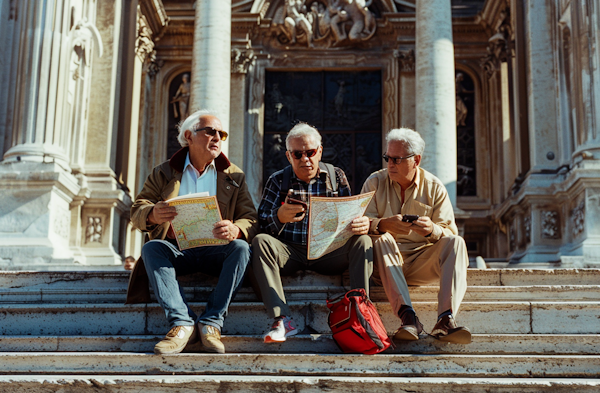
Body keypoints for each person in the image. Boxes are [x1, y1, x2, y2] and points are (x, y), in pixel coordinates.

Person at [126, 110, 258, 355]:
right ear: (189, 136)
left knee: (241, 248)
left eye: (222, 133)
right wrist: (153, 214)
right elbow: (137, 210)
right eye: (210, 131)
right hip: (178, 250)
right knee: (152, 248)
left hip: (217, 251)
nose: (217, 137)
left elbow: (250, 217)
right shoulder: (163, 172)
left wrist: (236, 228)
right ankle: (182, 323)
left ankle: (211, 323)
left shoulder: (234, 175)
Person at [253, 123, 373, 343]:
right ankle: (282, 320)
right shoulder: (277, 180)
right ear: (289, 156)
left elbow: (350, 215)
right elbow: (260, 224)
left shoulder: (336, 176)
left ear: (319, 151)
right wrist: (279, 216)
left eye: (310, 152)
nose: (305, 159)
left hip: (328, 251)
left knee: (363, 240)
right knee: (261, 241)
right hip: (290, 252)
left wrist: (361, 223)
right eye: (298, 154)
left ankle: (360, 314)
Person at [361, 128, 471, 344]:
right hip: (383, 266)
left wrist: (432, 229)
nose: (390, 164)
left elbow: (450, 232)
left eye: (397, 159)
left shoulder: (435, 187)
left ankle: (445, 320)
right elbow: (359, 224)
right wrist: (384, 224)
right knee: (382, 238)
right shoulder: (374, 182)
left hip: (422, 264)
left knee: (457, 242)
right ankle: (408, 318)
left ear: (416, 160)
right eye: (387, 158)